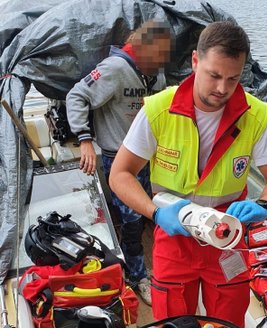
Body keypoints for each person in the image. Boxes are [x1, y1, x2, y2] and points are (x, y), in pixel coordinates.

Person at [109, 21, 267, 327]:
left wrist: (263, 205)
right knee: (172, 319)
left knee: (229, 318)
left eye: (233, 79)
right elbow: (120, 174)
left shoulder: (255, 114)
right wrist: (155, 213)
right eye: (214, 75)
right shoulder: (159, 109)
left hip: (227, 234)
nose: (222, 89)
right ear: (195, 61)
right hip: (173, 231)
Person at [66, 20, 172, 306]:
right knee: (132, 221)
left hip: (153, 155)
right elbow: (77, 96)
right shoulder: (114, 69)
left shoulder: (155, 73)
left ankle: (165, 266)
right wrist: (85, 138)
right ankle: (139, 277)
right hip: (119, 156)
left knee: (160, 209)